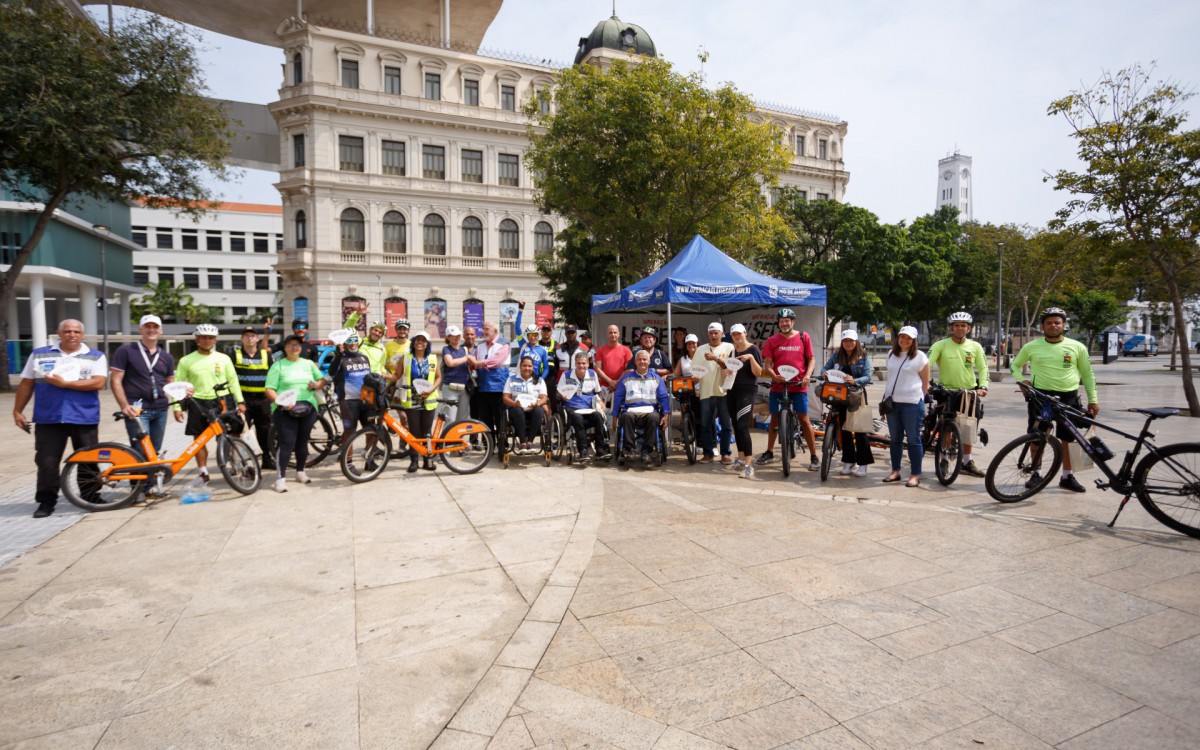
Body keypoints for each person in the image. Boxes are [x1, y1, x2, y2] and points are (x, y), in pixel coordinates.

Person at [12, 319, 107, 518]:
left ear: (82, 334)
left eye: (76, 331)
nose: (72, 335)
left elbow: (98, 382)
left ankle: (90, 496)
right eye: (67, 331)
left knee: (88, 460)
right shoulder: (39, 354)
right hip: (49, 418)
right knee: (47, 462)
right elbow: (27, 384)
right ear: (59, 333)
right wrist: (18, 411)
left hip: (84, 416)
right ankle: (46, 502)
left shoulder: (95, 356)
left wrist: (65, 384)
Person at [1010, 307, 1099, 493]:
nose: (1053, 325)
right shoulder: (1031, 346)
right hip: (1041, 397)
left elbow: (1087, 375)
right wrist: (1022, 381)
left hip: (1068, 398)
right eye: (1049, 322)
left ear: (1064, 325)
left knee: (1068, 439)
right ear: (1042, 326)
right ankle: (1036, 473)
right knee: (1037, 437)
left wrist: (1093, 399)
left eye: (1057, 322)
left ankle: (1067, 476)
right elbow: (1015, 365)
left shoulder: (1077, 347)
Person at [174, 324, 245, 484]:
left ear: (215, 340)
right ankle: (203, 472)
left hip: (222, 400)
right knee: (199, 439)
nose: (207, 340)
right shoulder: (186, 360)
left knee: (231, 434)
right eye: (204, 337)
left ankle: (236, 464)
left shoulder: (223, 358)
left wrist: (240, 401)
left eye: (211, 338)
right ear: (197, 339)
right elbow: (178, 384)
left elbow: (233, 381)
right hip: (197, 402)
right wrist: (177, 407)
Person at [927, 311, 990, 476]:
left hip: (969, 392)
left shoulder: (975, 346)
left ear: (969, 328)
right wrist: (925, 384)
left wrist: (983, 386)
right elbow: (926, 364)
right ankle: (945, 459)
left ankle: (967, 462)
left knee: (969, 427)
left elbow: (983, 368)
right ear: (951, 328)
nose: (960, 328)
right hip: (947, 391)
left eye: (963, 325)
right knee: (947, 428)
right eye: (957, 325)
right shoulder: (940, 345)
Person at [757, 309, 818, 471]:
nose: (785, 323)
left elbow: (811, 358)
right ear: (778, 323)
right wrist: (773, 375)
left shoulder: (803, 337)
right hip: (778, 385)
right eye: (782, 321)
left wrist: (807, 376)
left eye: (787, 320)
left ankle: (814, 456)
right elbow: (768, 364)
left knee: (804, 419)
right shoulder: (772, 340)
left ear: (793, 321)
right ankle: (769, 451)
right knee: (774, 419)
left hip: (798, 385)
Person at [265, 334, 326, 492]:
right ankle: (280, 478)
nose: (294, 347)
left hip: (308, 407)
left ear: (301, 347)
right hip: (284, 409)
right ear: (285, 348)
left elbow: (321, 380)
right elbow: (269, 389)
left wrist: (316, 385)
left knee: (303, 442)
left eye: (297, 345)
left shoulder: (308, 364)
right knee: (287, 443)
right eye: (290, 345)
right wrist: (281, 403)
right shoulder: (278, 365)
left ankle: (300, 472)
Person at [110, 314, 175, 456]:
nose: (151, 329)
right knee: (140, 452)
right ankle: (139, 479)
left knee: (154, 452)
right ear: (140, 329)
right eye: (147, 326)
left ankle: (151, 479)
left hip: (161, 410)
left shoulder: (166, 356)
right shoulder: (126, 351)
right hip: (137, 410)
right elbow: (115, 380)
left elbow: (171, 383)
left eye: (155, 327)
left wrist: (182, 394)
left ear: (161, 330)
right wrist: (124, 406)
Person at [881, 326, 930, 487]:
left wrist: (919, 399)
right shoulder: (891, 354)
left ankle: (915, 474)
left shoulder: (920, 357)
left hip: (912, 404)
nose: (904, 340)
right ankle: (895, 471)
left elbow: (925, 382)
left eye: (909, 338)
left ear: (914, 340)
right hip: (892, 403)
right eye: (902, 337)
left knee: (914, 440)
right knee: (895, 439)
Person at [820, 330, 874, 476]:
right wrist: (824, 373)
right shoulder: (837, 355)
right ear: (842, 343)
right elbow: (825, 368)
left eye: (851, 341)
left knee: (860, 430)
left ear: (856, 342)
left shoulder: (863, 357)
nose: (848, 343)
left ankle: (863, 463)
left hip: (856, 396)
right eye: (845, 341)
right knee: (844, 429)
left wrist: (854, 381)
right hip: (839, 395)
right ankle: (849, 461)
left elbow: (868, 376)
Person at [612, 350, 671, 463]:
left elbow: (663, 398)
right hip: (630, 411)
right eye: (639, 359)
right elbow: (618, 398)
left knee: (654, 417)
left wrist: (666, 415)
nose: (642, 362)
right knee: (626, 416)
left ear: (649, 362)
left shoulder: (656, 379)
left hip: (650, 412)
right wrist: (615, 417)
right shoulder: (626, 378)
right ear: (635, 362)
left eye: (644, 359)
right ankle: (630, 450)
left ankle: (646, 451)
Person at [230, 324, 274, 469]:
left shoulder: (265, 355)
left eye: (252, 335)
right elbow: (230, 378)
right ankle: (238, 464)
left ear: (257, 338)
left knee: (264, 431)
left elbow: (273, 376)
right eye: (247, 336)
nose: (250, 338)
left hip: (262, 400)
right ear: (242, 338)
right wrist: (236, 401)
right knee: (239, 431)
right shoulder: (235, 355)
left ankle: (266, 459)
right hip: (243, 401)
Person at [725, 323, 764, 479]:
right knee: (736, 425)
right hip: (731, 390)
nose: (736, 336)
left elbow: (759, 372)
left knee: (743, 426)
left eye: (739, 333)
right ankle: (740, 459)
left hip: (747, 391)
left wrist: (751, 358)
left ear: (745, 333)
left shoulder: (753, 349)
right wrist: (726, 371)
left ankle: (749, 464)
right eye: (734, 334)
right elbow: (727, 371)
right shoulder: (732, 351)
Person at [401, 331, 443, 472]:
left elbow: (438, 378)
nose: (420, 343)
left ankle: (427, 459)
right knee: (414, 432)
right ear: (413, 342)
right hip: (411, 399)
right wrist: (382, 376)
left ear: (427, 344)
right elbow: (396, 375)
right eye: (417, 340)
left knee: (426, 432)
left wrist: (431, 390)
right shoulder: (406, 358)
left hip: (428, 399)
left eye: (423, 340)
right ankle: (414, 461)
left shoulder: (433, 358)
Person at [694, 322, 734, 464]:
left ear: (722, 334)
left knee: (726, 425)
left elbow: (731, 366)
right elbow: (695, 369)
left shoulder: (729, 347)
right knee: (705, 424)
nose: (713, 335)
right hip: (705, 392)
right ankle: (708, 453)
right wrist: (695, 377)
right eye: (711, 333)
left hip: (723, 391)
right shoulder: (700, 349)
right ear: (708, 334)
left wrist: (716, 358)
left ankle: (725, 453)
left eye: (716, 332)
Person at [559, 351, 609, 459]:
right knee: (577, 418)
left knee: (598, 416)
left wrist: (601, 402)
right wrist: (562, 396)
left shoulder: (592, 374)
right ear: (575, 364)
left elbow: (598, 392)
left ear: (587, 364)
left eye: (583, 363)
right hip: (573, 408)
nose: (581, 366)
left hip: (588, 408)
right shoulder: (566, 375)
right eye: (579, 363)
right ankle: (583, 450)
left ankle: (600, 449)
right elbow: (558, 393)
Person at [328, 333, 374, 448]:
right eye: (349, 341)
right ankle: (347, 461)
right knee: (349, 432)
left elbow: (368, 378)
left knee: (370, 430)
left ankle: (369, 459)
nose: (353, 343)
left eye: (355, 340)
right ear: (344, 343)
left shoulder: (364, 357)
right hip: (348, 400)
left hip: (367, 398)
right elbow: (331, 373)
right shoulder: (340, 358)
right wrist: (338, 355)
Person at [467, 320, 511, 434]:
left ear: (495, 331)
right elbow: (472, 364)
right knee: (485, 420)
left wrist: (477, 363)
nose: (483, 331)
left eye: (487, 329)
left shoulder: (503, 344)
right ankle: (489, 446)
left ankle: (502, 445)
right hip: (482, 388)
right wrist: (473, 374)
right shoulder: (480, 345)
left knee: (499, 418)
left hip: (498, 388)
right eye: (483, 329)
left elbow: (495, 362)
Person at [503, 355, 548, 453]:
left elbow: (544, 398)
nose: (527, 368)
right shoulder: (511, 379)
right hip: (516, 407)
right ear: (520, 366)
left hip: (533, 407)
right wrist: (514, 403)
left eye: (529, 366)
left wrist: (538, 403)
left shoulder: (539, 380)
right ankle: (522, 442)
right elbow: (505, 398)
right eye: (524, 366)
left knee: (539, 411)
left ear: (533, 367)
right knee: (518, 411)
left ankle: (530, 442)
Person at [441, 325, 472, 424]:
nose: (456, 337)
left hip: (464, 388)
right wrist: (466, 358)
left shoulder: (465, 350)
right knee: (450, 418)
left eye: (458, 335)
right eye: (453, 335)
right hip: (450, 388)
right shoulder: (446, 349)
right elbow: (450, 363)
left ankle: (458, 439)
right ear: (448, 337)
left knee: (462, 419)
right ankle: (447, 439)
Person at [594, 324, 633, 392]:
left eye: (615, 332)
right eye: (610, 332)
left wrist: (617, 382)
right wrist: (610, 381)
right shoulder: (600, 350)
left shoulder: (626, 350)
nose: (613, 334)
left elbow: (628, 369)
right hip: (604, 386)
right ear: (607, 334)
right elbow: (598, 369)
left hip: (621, 385)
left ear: (619, 334)